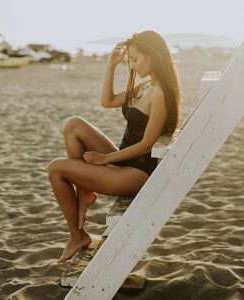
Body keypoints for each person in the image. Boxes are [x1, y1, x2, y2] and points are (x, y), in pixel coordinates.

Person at [47, 30, 180, 263]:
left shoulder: (159, 94)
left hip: (136, 173)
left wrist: (105, 159)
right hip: (123, 161)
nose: (132, 66)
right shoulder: (146, 85)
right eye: (129, 60)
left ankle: (77, 235)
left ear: (154, 56)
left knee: (56, 168)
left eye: (135, 60)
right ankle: (85, 193)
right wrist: (111, 66)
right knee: (73, 125)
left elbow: (147, 145)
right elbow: (107, 101)